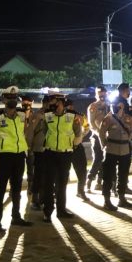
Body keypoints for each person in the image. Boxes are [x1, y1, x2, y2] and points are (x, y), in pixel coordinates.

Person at [0, 86, 34, 231]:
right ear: (3, 100)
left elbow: (25, 132)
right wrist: (0, 152)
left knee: (17, 188)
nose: (12, 100)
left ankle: (16, 217)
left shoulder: (22, 115)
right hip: (5, 157)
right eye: (9, 98)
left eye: (14, 97)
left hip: (19, 156)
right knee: (1, 189)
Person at [42, 92, 82, 222]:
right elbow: (44, 131)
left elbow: (78, 133)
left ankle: (61, 210)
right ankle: (47, 212)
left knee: (62, 183)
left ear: (62, 103)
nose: (53, 105)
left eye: (56, 103)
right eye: (52, 103)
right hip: (50, 153)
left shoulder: (72, 116)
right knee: (49, 183)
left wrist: (73, 146)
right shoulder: (47, 115)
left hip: (65, 154)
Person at [99, 98, 132, 210]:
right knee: (108, 175)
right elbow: (101, 132)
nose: (116, 107)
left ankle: (122, 198)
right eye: (114, 105)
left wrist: (127, 139)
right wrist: (104, 145)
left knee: (123, 175)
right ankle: (107, 200)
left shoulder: (127, 118)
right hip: (111, 149)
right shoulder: (108, 118)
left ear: (123, 107)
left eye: (119, 106)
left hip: (124, 149)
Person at [29, 95, 50, 210]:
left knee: (47, 175)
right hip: (39, 148)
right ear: (44, 103)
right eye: (48, 103)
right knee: (38, 175)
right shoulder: (37, 115)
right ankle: (35, 199)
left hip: (50, 148)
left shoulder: (52, 114)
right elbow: (31, 131)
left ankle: (44, 198)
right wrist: (30, 148)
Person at [86, 86, 108, 192]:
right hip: (97, 136)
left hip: (108, 135)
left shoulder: (109, 106)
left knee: (105, 160)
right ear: (96, 94)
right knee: (98, 158)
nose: (102, 95)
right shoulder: (93, 106)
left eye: (103, 92)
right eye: (99, 93)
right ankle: (89, 180)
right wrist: (99, 133)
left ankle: (100, 182)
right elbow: (91, 123)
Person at [66, 98, 89, 199]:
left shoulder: (79, 115)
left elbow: (87, 127)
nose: (69, 107)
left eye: (70, 105)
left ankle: (81, 191)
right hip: (65, 147)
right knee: (63, 173)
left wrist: (81, 136)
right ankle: (58, 194)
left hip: (77, 147)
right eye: (67, 105)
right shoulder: (61, 116)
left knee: (82, 171)